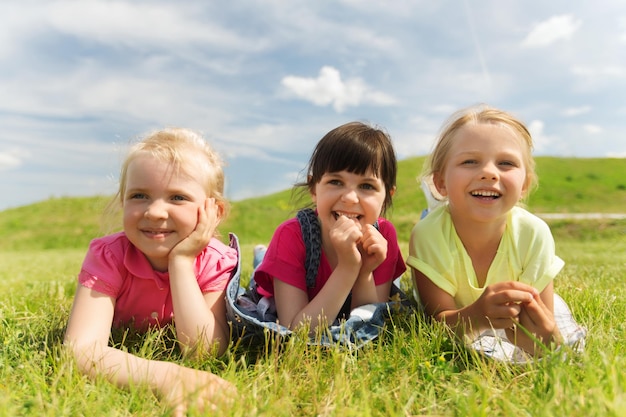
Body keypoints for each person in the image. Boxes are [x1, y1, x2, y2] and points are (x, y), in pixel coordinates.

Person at [64, 128, 238, 415]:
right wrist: (166, 378)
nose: (155, 212)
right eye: (139, 195)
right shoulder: (108, 255)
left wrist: (181, 262)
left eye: (178, 197)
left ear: (213, 212)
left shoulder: (216, 260)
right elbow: (80, 351)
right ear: (123, 201)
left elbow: (205, 352)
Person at [407, 105, 585, 362]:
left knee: (563, 339)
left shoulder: (534, 234)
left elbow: (543, 324)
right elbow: (436, 324)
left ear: (523, 185)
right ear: (440, 182)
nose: (489, 172)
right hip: (461, 318)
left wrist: (545, 339)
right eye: (469, 161)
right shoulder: (428, 235)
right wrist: (477, 316)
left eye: (506, 163)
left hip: (506, 319)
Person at [252, 121, 407, 334]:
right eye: (336, 182)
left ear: (387, 196)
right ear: (314, 188)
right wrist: (347, 268)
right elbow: (297, 333)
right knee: (260, 269)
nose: (350, 198)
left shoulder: (383, 236)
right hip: (284, 263)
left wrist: (364, 272)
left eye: (367, 186)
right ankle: (261, 255)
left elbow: (368, 329)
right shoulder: (291, 235)